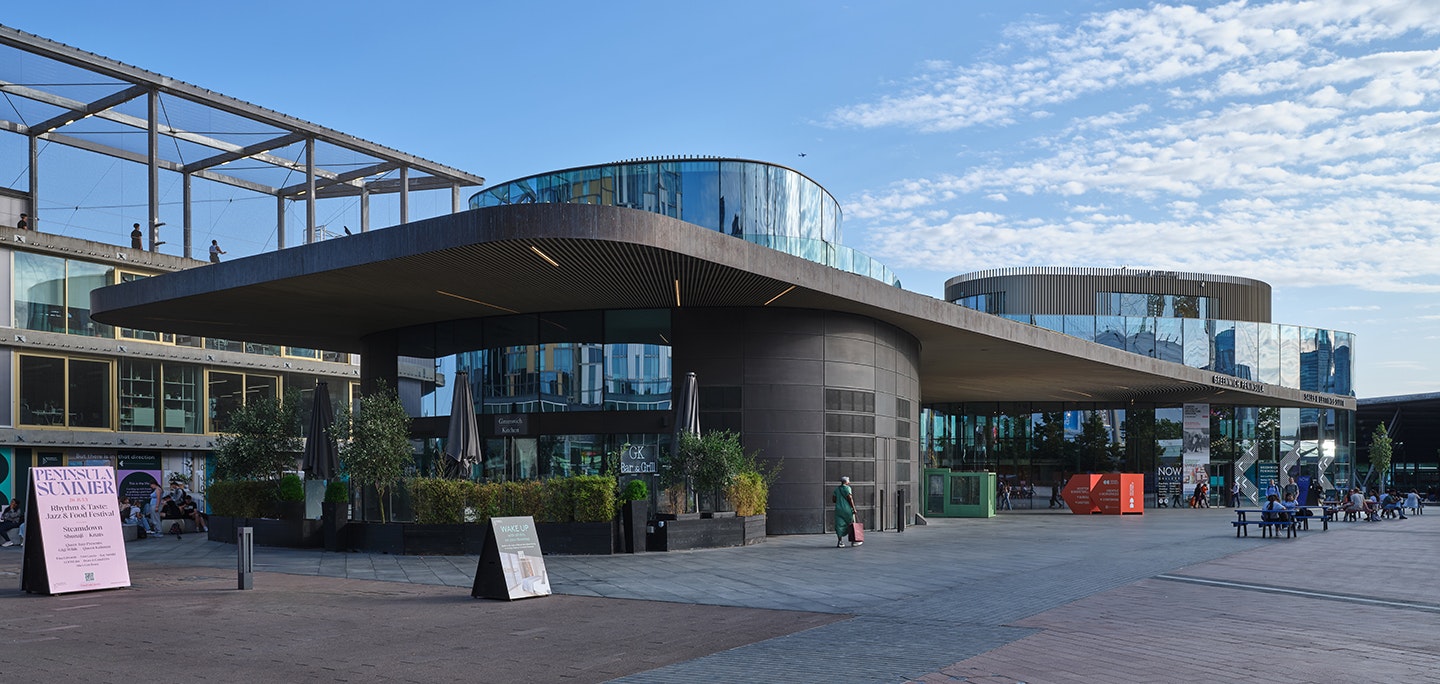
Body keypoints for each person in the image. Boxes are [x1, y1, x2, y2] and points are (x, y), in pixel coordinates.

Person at [832, 476, 860, 548]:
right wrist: (854, 508)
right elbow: (850, 498)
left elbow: (834, 500)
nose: (849, 482)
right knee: (851, 524)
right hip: (847, 509)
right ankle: (854, 541)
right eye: (848, 481)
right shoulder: (847, 488)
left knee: (839, 525)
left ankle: (840, 542)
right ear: (846, 482)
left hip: (838, 509)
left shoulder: (837, 489)